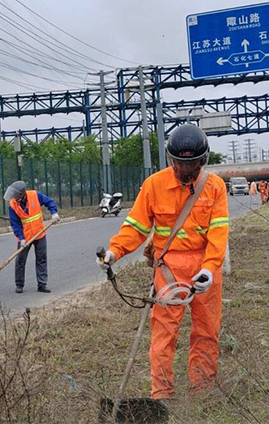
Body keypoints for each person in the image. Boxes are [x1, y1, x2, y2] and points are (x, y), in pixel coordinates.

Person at [98, 124, 229, 399]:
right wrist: (114, 252)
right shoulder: (154, 185)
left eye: (192, 163)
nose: (186, 170)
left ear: (203, 160)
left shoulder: (215, 187)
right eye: (181, 163)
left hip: (204, 267)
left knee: (207, 332)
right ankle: (161, 394)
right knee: (164, 335)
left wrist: (209, 267)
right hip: (169, 268)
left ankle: (202, 391)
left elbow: (219, 233)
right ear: (171, 160)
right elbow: (135, 226)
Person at [4, 180, 59, 294]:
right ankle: (19, 284)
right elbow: (15, 224)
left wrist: (54, 213)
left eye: (16, 196)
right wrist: (22, 238)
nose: (14, 198)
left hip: (40, 233)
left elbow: (49, 202)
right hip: (25, 237)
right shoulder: (13, 205)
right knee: (20, 261)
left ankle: (42, 284)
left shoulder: (35, 195)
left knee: (41, 259)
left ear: (22, 194)